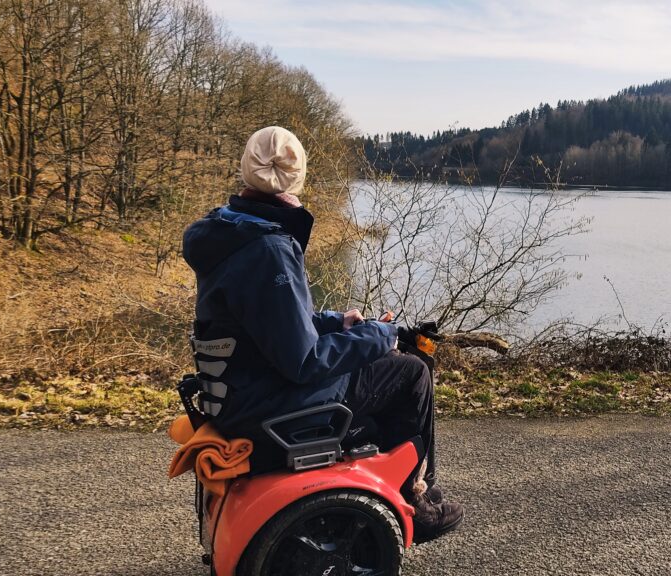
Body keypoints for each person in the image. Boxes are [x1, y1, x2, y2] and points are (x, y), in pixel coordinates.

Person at [181, 126, 463, 542]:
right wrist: (381, 335)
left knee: (379, 363)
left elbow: (271, 324)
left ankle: (394, 484)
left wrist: (338, 323)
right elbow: (305, 362)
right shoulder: (268, 249)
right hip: (266, 404)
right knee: (411, 372)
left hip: (238, 392)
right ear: (297, 178)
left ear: (246, 170)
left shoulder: (230, 232)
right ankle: (412, 497)